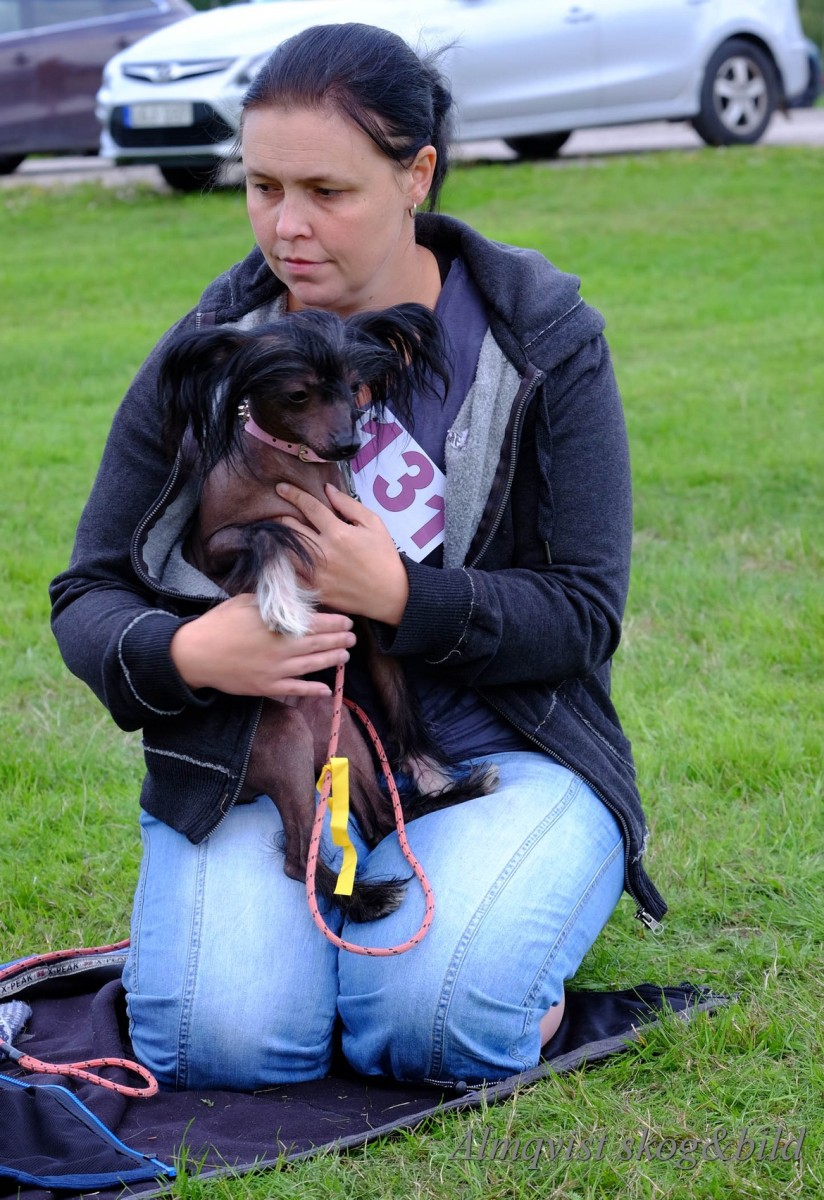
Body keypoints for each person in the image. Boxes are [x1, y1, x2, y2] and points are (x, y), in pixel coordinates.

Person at [50, 22, 666, 1092]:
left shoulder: (538, 338)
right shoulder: (214, 352)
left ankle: (492, 915)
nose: (285, 226)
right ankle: (388, 924)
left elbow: (582, 613)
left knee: (434, 1022)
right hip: (267, 757)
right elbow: (89, 590)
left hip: (503, 751)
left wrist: (401, 595)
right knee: (221, 1043)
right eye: (262, 187)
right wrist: (193, 653)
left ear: (416, 174)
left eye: (326, 191)